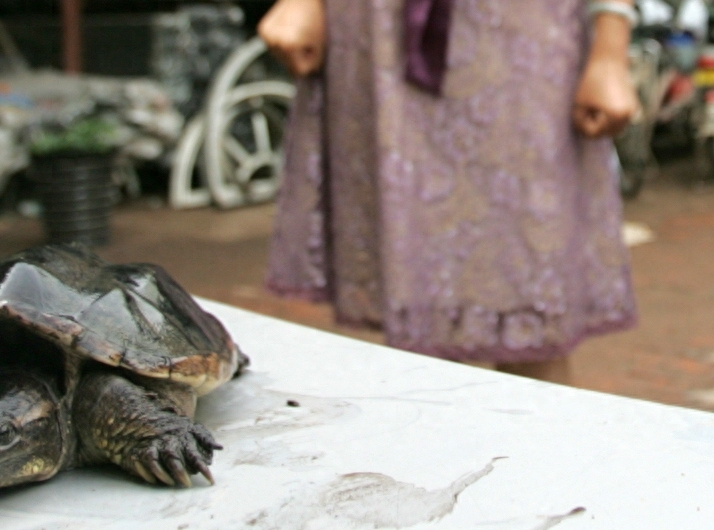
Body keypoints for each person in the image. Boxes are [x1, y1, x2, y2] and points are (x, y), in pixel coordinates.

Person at [259, 0, 640, 384]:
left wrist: (611, 48)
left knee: (534, 295)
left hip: (525, 39)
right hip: (381, 32)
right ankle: (430, 437)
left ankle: (538, 442)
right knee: (414, 292)